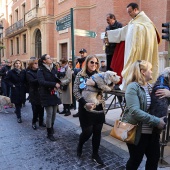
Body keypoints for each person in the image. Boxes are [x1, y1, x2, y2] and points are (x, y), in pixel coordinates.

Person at [122, 60, 166, 170]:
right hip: (138, 133)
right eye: (150, 70)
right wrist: (157, 121)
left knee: (154, 159)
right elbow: (134, 111)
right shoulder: (132, 87)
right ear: (142, 72)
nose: (152, 72)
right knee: (135, 160)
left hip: (152, 132)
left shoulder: (151, 87)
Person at [107, 3, 160, 89]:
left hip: (143, 52)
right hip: (136, 52)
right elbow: (123, 31)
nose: (129, 14)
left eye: (130, 12)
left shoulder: (146, 23)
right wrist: (109, 34)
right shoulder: (134, 22)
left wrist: (136, 31)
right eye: (128, 12)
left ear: (136, 9)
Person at [73, 55, 105, 165]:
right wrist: (85, 104)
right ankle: (80, 144)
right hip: (85, 108)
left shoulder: (99, 75)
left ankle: (95, 154)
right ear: (87, 63)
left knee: (97, 132)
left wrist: (95, 83)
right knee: (87, 132)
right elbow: (76, 91)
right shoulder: (80, 75)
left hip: (98, 107)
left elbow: (104, 88)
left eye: (96, 63)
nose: (94, 65)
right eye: (92, 62)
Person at [37, 54, 61, 141]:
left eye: (50, 57)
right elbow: (41, 82)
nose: (51, 59)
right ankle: (49, 133)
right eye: (48, 58)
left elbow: (56, 78)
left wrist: (60, 81)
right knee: (49, 113)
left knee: (54, 113)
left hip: (54, 93)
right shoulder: (40, 70)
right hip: (46, 94)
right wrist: (54, 84)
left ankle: (51, 126)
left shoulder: (53, 68)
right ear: (44, 61)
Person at [26, 58, 46, 130]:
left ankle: (41, 122)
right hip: (34, 93)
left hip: (41, 92)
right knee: (35, 110)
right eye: (35, 63)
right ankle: (34, 122)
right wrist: (40, 79)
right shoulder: (28, 72)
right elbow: (32, 81)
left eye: (37, 63)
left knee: (41, 108)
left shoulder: (39, 71)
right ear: (31, 64)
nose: (37, 64)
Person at [73, 48, 88, 117]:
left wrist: (78, 71)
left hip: (86, 81)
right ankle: (80, 111)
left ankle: (85, 111)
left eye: (83, 53)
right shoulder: (79, 61)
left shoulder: (88, 60)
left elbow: (83, 71)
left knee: (86, 96)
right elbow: (75, 70)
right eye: (81, 53)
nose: (82, 54)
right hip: (80, 80)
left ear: (86, 53)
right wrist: (79, 71)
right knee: (79, 96)